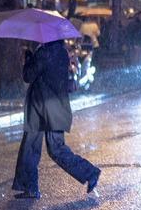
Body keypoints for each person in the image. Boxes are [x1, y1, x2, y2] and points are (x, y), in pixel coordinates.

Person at [12, 39, 101, 199]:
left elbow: (28, 76)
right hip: (55, 106)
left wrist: (28, 58)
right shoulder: (61, 52)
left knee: (34, 147)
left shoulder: (44, 52)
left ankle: (31, 186)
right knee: (52, 148)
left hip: (41, 106)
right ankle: (89, 173)